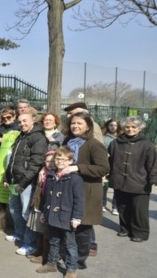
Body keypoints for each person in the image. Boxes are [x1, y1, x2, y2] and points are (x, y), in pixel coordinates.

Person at [61, 111, 109, 269]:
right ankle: (69, 255)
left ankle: (80, 261)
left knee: (82, 228)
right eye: (73, 123)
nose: (75, 126)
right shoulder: (68, 142)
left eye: (79, 123)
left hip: (87, 191)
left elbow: (103, 168)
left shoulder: (94, 144)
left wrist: (77, 168)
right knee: (69, 226)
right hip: (69, 190)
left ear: (88, 126)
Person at [37, 146, 85, 278]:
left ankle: (71, 269)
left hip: (66, 216)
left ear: (70, 161)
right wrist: (43, 213)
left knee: (70, 245)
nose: (60, 162)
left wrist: (76, 218)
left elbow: (79, 200)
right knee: (53, 241)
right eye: (58, 159)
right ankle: (51, 263)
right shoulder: (51, 176)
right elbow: (47, 197)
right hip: (51, 215)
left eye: (64, 160)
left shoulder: (75, 179)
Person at [3, 112, 47, 256]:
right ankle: (19, 234)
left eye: (25, 121)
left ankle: (30, 244)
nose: (22, 124)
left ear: (33, 120)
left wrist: (22, 182)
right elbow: (13, 160)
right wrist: (7, 177)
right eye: (20, 121)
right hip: (15, 181)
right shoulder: (20, 136)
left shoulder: (38, 137)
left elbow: (36, 163)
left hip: (26, 182)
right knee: (15, 210)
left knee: (26, 213)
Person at [108, 116, 157, 243]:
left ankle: (140, 232)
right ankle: (125, 229)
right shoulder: (116, 143)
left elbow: (153, 163)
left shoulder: (147, 144)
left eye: (133, 127)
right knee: (122, 207)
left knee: (139, 210)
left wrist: (154, 178)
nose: (130, 129)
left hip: (139, 182)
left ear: (139, 128)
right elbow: (109, 160)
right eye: (127, 127)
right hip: (119, 180)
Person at [28, 150, 55, 264]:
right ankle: (39, 251)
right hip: (40, 202)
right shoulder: (43, 171)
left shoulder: (55, 174)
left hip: (49, 205)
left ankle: (44, 255)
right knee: (39, 230)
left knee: (46, 233)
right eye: (47, 161)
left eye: (52, 161)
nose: (50, 163)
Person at [103, 118, 121, 215]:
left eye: (115, 125)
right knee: (104, 186)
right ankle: (102, 204)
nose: (113, 127)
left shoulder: (121, 138)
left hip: (117, 165)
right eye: (111, 125)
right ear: (107, 126)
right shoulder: (104, 138)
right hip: (106, 164)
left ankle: (115, 206)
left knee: (117, 187)